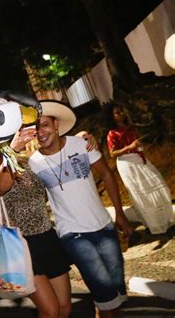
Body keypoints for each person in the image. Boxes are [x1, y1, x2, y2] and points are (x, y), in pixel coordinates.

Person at [28, 100, 133, 318]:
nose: (40, 132)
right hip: (73, 234)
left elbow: (106, 174)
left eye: (45, 125)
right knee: (103, 287)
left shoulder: (81, 144)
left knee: (114, 291)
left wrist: (120, 213)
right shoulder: (33, 163)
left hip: (104, 226)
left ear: (56, 124)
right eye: (35, 128)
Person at [0, 135, 72, 318]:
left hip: (47, 237)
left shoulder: (25, 160)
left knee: (64, 307)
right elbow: (1, 185)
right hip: (21, 245)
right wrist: (11, 153)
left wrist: (82, 138)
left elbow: (54, 154)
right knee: (50, 311)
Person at [106, 103, 173, 234]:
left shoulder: (131, 128)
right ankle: (153, 225)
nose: (121, 114)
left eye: (121, 111)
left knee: (156, 184)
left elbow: (136, 143)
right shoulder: (112, 133)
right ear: (111, 117)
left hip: (140, 158)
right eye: (117, 113)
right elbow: (112, 153)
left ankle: (164, 220)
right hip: (127, 163)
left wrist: (138, 147)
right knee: (141, 192)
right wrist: (130, 147)